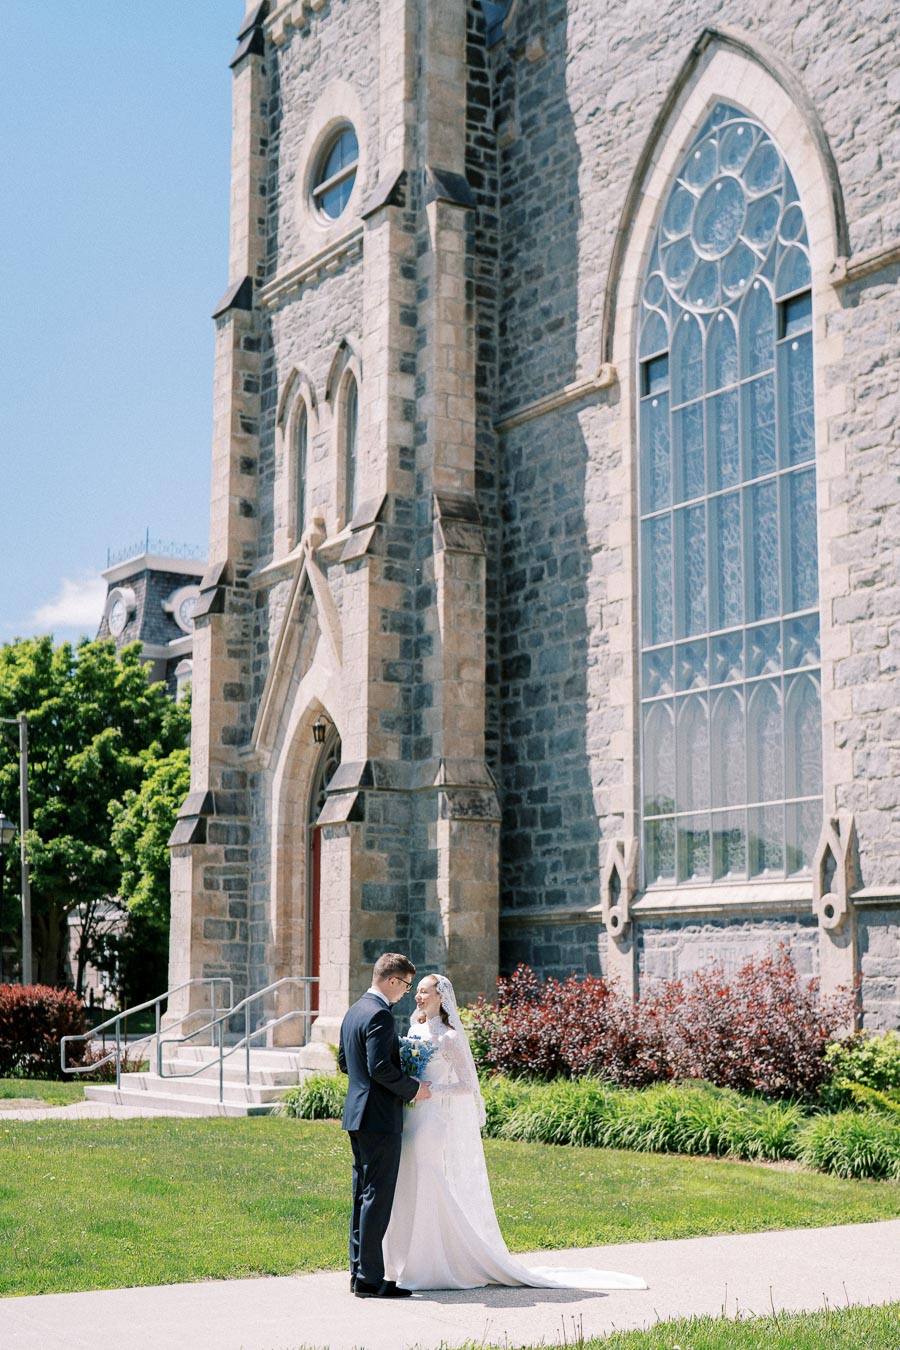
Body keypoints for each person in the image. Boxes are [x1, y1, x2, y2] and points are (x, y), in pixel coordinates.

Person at [381, 972, 647, 1293]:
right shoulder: (414, 1028)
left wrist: (431, 1089)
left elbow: (468, 1086)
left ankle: (440, 1261)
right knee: (408, 1180)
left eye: (424, 992)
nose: (419, 996)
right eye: (418, 992)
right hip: (411, 1116)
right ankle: (405, 1258)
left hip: (432, 1118)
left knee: (429, 1178)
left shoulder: (450, 1038)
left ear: (441, 997)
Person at [338, 952, 432, 1299]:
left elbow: (346, 1063)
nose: (406, 992)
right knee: (377, 1197)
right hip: (379, 1118)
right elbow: (380, 1068)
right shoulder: (379, 1014)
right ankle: (371, 1280)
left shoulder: (355, 1010)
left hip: (357, 1114)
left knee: (362, 1195)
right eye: (406, 985)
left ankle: (359, 1272)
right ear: (392, 980)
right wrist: (413, 1088)